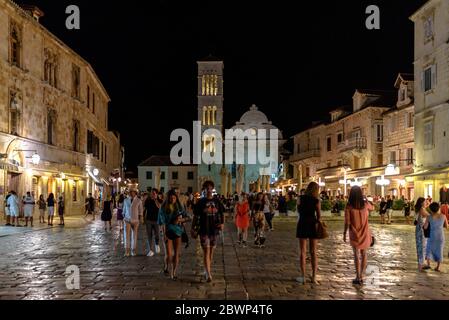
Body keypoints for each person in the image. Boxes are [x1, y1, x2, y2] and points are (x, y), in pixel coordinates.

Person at [193, 180, 224, 283]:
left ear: (212, 189)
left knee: (211, 252)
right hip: (203, 229)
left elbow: (221, 212)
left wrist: (222, 223)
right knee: (206, 251)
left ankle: (207, 268)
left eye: (210, 188)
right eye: (207, 188)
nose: (209, 190)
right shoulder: (200, 202)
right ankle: (208, 273)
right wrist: (193, 228)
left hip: (214, 229)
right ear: (204, 190)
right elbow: (196, 216)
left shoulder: (217, 201)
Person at [343, 186, 373, 285]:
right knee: (364, 253)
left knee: (356, 254)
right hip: (365, 231)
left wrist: (344, 233)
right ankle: (362, 276)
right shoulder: (365, 204)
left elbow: (347, 222)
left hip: (354, 231)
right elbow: (372, 207)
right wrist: (366, 199)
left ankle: (358, 276)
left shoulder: (349, 206)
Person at [158, 190, 189, 280]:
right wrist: (164, 234)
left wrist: (180, 220)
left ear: (176, 198)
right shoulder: (163, 208)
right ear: (168, 198)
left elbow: (187, 217)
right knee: (168, 254)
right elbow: (162, 222)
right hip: (167, 232)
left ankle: (173, 272)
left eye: (174, 198)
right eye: (171, 198)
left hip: (178, 232)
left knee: (176, 253)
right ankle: (166, 266)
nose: (172, 199)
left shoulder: (179, 207)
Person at [296, 182, 321, 285]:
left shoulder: (300, 198)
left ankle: (303, 276)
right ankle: (314, 277)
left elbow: (298, 211)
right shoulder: (316, 200)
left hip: (302, 223)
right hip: (312, 224)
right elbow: (319, 215)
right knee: (313, 252)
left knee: (302, 252)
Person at [423, 202, 448, 272]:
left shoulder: (429, 217)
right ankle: (438, 267)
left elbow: (425, 227)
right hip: (440, 236)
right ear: (438, 208)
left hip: (432, 235)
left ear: (431, 209)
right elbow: (447, 226)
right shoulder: (443, 216)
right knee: (439, 250)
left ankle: (428, 264)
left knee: (429, 248)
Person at [122, 188, 143, 257]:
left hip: (135, 220)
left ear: (135, 192)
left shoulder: (139, 200)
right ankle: (127, 250)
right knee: (126, 235)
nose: (131, 193)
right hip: (127, 219)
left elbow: (140, 211)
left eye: (132, 192)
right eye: (130, 192)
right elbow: (124, 209)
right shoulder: (125, 200)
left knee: (134, 235)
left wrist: (141, 218)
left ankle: (133, 250)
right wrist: (123, 216)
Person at [145, 188, 162, 257]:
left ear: (157, 194)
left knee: (157, 234)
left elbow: (159, 207)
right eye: (151, 193)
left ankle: (157, 244)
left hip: (156, 220)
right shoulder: (148, 200)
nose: (152, 194)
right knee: (149, 235)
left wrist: (155, 199)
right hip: (148, 220)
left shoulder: (159, 200)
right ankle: (150, 250)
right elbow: (145, 209)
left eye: (154, 193)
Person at [414, 197, 429, 272]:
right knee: (422, 246)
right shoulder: (422, 209)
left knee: (421, 246)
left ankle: (421, 263)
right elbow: (429, 216)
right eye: (425, 201)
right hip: (421, 230)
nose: (426, 202)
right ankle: (421, 264)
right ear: (421, 203)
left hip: (420, 229)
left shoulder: (420, 209)